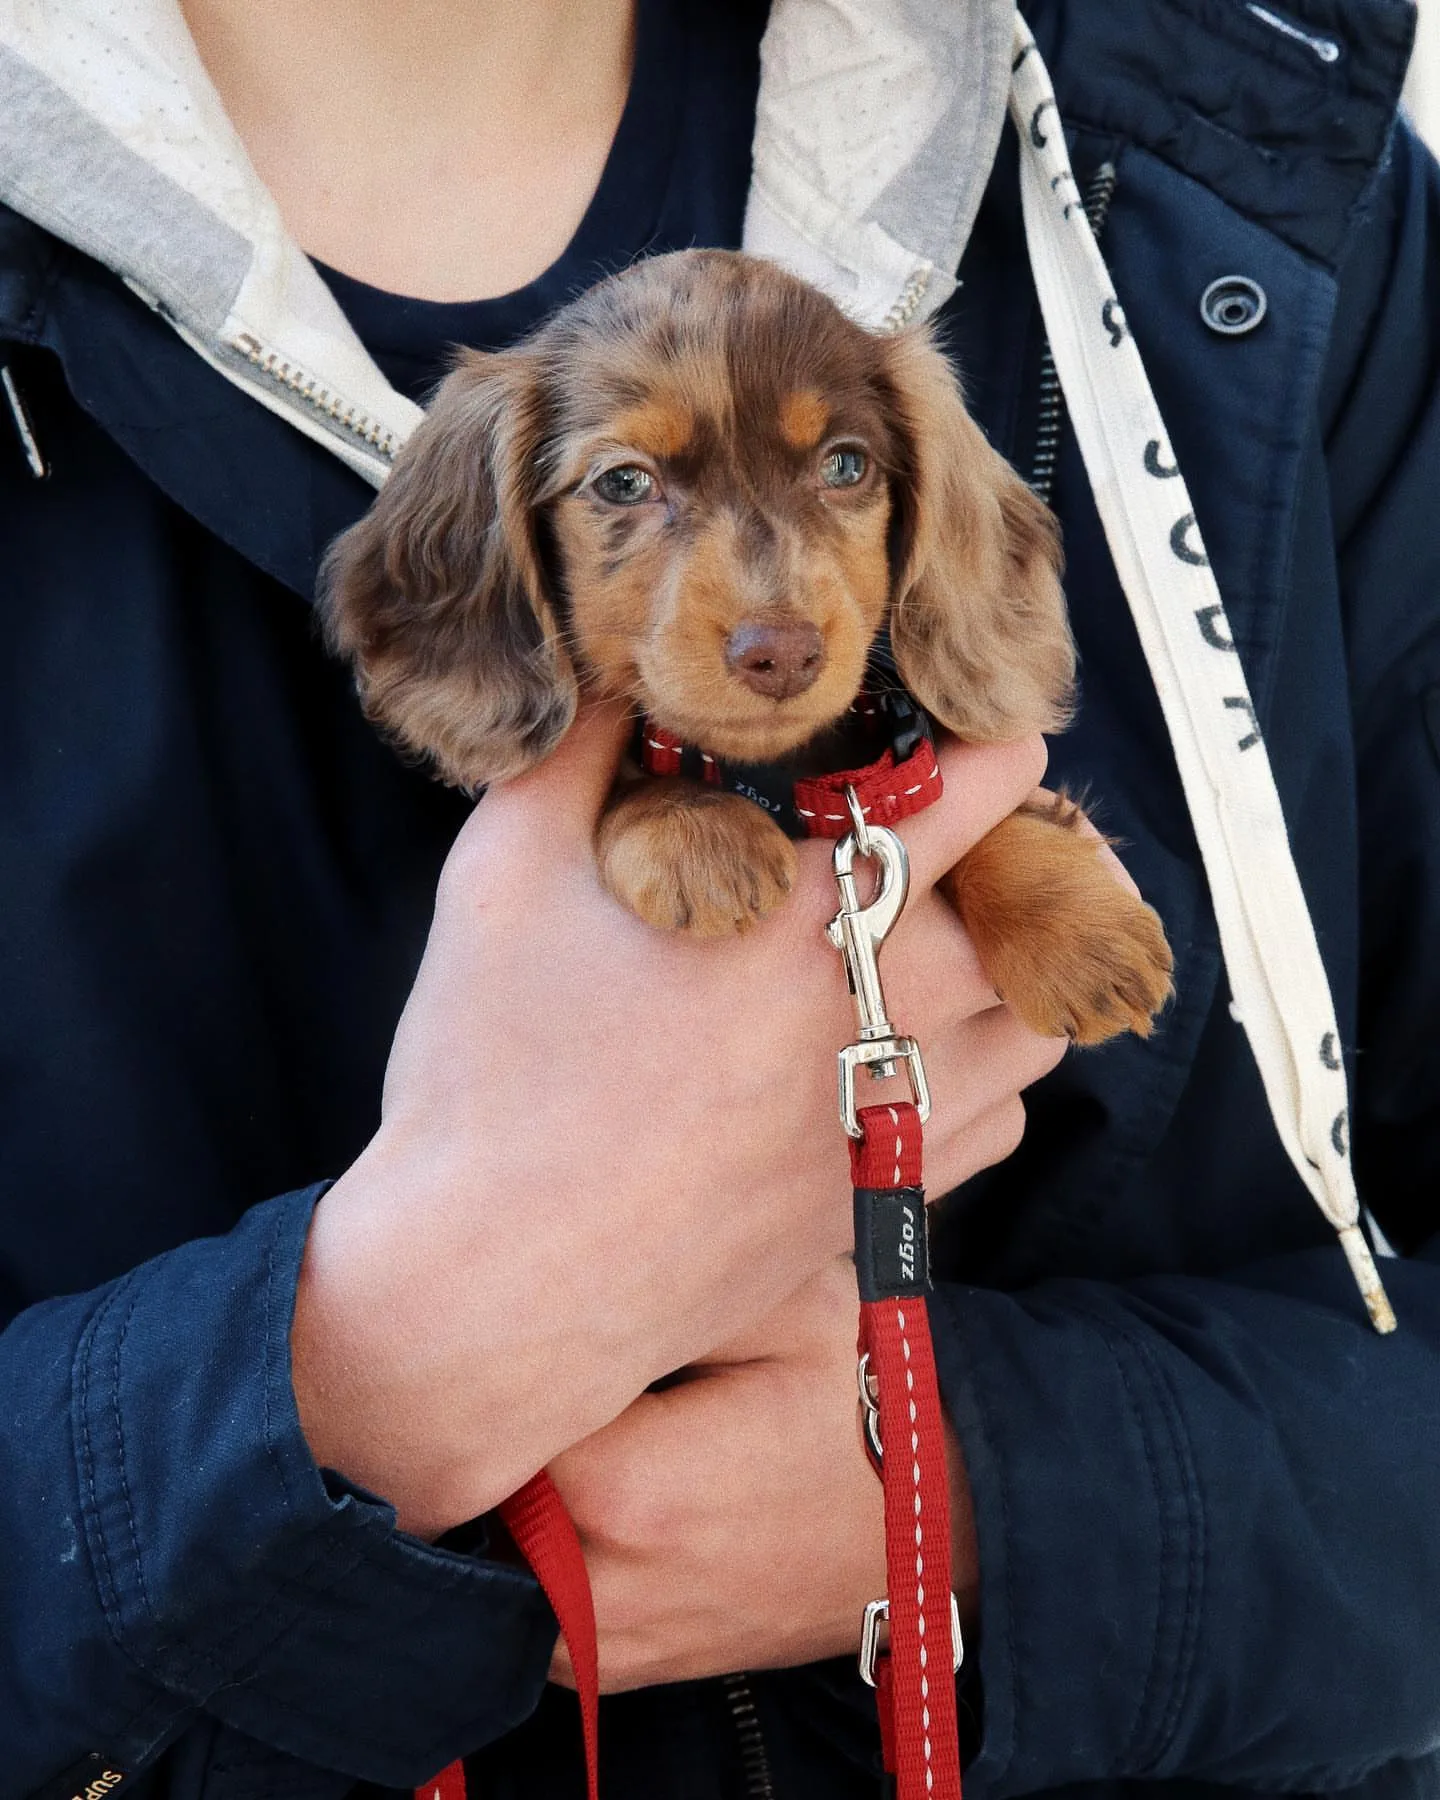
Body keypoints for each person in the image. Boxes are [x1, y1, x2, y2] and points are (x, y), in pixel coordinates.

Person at [1, 1, 1437, 1797]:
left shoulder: (1264, 186)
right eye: (628, 487)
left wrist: (1003, 1489)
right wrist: (364, 1374)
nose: (772, 605)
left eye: (842, 469)